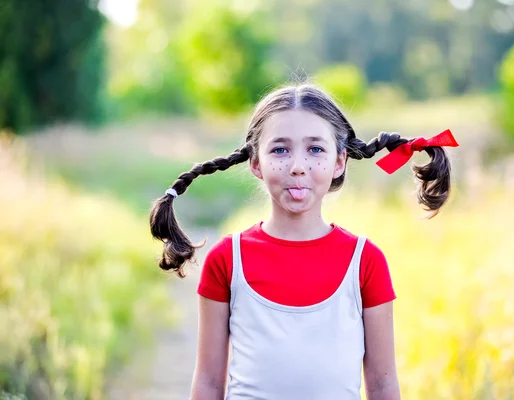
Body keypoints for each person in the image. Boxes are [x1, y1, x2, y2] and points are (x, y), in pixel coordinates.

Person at [149, 83, 458, 400]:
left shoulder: (365, 261)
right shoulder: (228, 259)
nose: (297, 167)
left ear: (340, 161)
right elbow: (209, 384)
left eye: (315, 149)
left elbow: (382, 386)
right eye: (280, 150)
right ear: (256, 163)